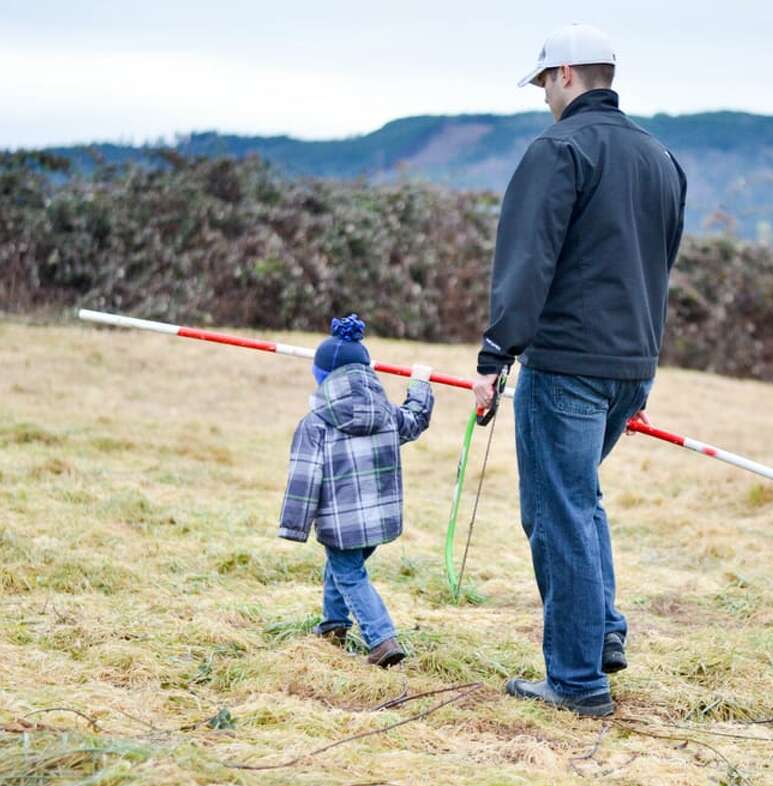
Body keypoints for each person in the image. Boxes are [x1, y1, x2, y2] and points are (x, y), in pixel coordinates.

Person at [471, 23, 687, 717]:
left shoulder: (558, 150)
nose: (543, 99)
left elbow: (525, 262)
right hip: (632, 367)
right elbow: (660, 263)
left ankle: (575, 680)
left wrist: (493, 355)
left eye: (542, 84)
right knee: (578, 499)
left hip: (565, 366)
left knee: (556, 512)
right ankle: (601, 637)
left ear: (565, 74)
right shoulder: (661, 158)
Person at [279, 314, 435, 668]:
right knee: (340, 567)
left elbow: (303, 480)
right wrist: (420, 385)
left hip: (341, 523)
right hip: (379, 522)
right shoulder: (385, 413)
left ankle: (381, 638)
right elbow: (415, 420)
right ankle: (333, 626)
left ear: (321, 377)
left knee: (349, 573)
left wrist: (293, 527)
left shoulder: (315, 422)